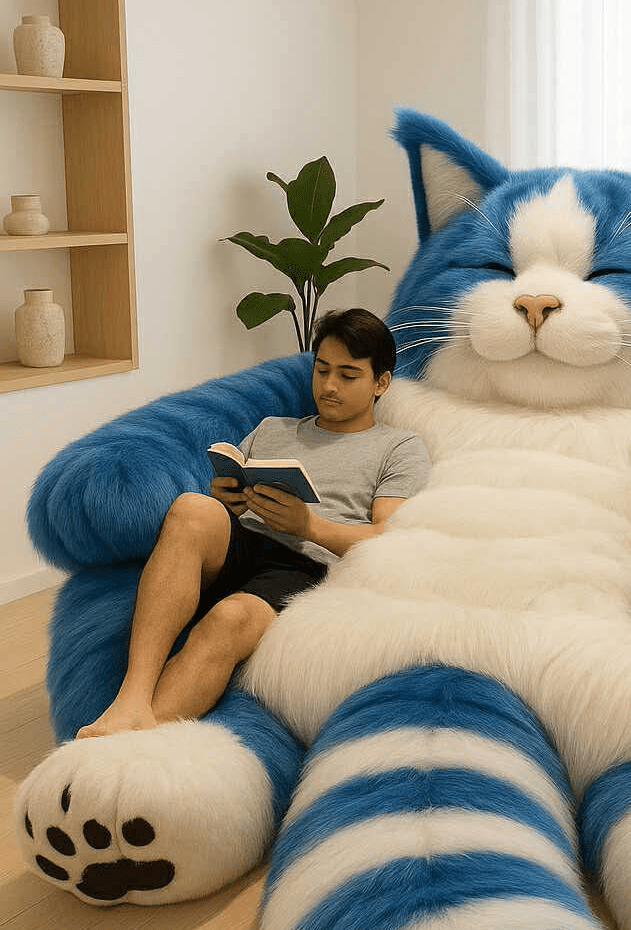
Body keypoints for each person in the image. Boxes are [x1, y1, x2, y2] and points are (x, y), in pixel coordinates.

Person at [78, 307, 430, 738]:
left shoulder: (399, 447)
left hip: (306, 561)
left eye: (348, 375)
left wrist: (308, 525)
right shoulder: (272, 428)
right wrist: (227, 498)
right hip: (246, 536)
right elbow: (224, 500)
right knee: (192, 507)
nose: (329, 386)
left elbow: (387, 540)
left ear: (381, 382)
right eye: (321, 371)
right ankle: (131, 697)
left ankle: (133, 741)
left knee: (231, 618)